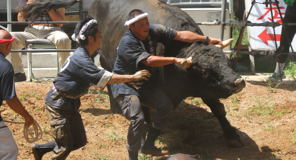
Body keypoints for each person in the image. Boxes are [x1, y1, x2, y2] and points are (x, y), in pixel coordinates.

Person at [110, 9, 229, 160]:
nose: (146, 26)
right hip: (127, 83)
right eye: (141, 24)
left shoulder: (154, 29)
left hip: (145, 82)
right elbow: (149, 60)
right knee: (137, 118)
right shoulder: (128, 42)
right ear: (131, 27)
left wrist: (206, 39)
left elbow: (180, 35)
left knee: (165, 106)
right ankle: (132, 156)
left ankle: (148, 145)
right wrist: (175, 60)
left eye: (146, 22)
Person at [31, 18, 150, 160]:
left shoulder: (85, 55)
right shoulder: (81, 58)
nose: (101, 38)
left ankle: (40, 150)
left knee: (78, 141)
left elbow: (98, 77)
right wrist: (132, 77)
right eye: (99, 35)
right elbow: (106, 78)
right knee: (64, 147)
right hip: (58, 104)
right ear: (91, 38)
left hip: (70, 103)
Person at [9, 0, 71, 82]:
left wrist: (48, 5)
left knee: (64, 39)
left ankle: (64, 74)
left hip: (52, 31)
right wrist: (28, 4)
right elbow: (20, 19)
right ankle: (18, 72)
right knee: (11, 38)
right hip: (31, 30)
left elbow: (60, 23)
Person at [0, 27, 36, 160]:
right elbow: (11, 99)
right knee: (10, 151)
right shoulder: (5, 67)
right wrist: (27, 116)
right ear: (8, 45)